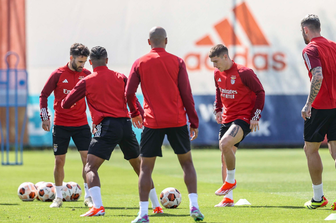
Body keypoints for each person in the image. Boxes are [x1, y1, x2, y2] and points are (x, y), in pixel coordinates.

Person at [61, 46, 163, 217]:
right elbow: (131, 96)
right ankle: (157, 205)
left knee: (90, 167)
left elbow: (66, 103)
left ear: (91, 62)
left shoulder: (86, 81)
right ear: (107, 60)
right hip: (125, 125)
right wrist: (138, 114)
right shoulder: (121, 77)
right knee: (140, 167)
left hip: (107, 126)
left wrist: (69, 97)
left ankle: (98, 207)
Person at [126, 27, 204, 223]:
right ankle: (194, 206)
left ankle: (143, 214)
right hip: (177, 120)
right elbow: (187, 94)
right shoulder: (177, 61)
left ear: (149, 42)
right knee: (187, 164)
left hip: (153, 122)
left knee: (145, 169)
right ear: (166, 41)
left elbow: (128, 93)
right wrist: (193, 121)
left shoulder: (140, 62)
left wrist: (135, 113)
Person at [300, 14, 336, 210]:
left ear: (306, 30)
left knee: (311, 149)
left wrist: (308, 104)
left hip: (320, 107)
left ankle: (318, 198)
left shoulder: (310, 49)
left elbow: (318, 76)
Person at [208, 44, 265, 207]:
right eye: (212, 62)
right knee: (224, 156)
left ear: (225, 57)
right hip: (227, 118)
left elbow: (260, 92)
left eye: (216, 61)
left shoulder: (244, 73)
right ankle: (228, 199)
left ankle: (230, 181)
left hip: (243, 118)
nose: (214, 65)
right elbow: (218, 91)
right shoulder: (217, 73)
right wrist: (218, 109)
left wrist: (255, 116)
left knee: (224, 143)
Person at [39, 43, 93, 208]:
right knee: (59, 160)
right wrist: (45, 117)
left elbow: (93, 98)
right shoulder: (58, 74)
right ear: (71, 58)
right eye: (80, 61)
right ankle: (58, 197)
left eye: (84, 61)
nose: (82, 65)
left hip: (81, 124)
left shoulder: (87, 75)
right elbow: (44, 95)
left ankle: (88, 197)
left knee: (88, 161)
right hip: (61, 124)